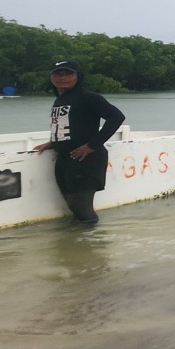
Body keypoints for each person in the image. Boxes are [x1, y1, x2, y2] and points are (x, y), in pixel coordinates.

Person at [32, 60, 126, 226]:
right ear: (51, 77)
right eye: (58, 74)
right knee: (72, 205)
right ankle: (76, 245)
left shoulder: (88, 97)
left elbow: (116, 117)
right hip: (65, 159)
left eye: (68, 74)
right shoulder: (60, 100)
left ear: (78, 76)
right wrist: (52, 143)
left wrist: (91, 145)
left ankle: (90, 244)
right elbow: (70, 126)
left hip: (87, 159)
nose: (63, 78)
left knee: (80, 206)